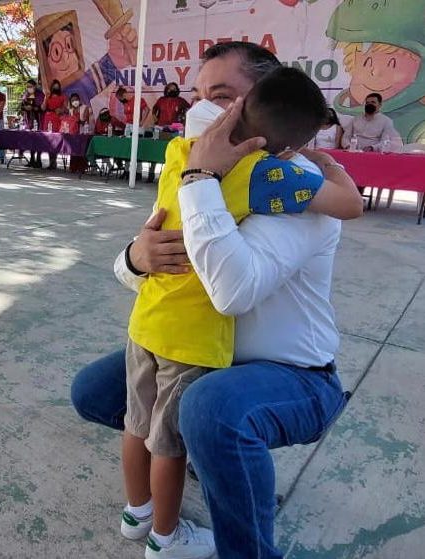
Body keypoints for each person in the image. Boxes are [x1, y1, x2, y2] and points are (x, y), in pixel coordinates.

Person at [71, 41, 357, 559]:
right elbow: (150, 269)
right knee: (94, 391)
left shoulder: (284, 189)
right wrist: (137, 256)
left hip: (292, 374)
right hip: (197, 346)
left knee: (208, 410)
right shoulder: (191, 161)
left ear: (264, 108)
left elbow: (231, 292)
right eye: (200, 95)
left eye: (223, 97)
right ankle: (194, 465)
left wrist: (201, 179)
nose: (204, 110)